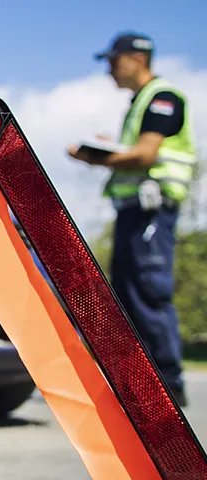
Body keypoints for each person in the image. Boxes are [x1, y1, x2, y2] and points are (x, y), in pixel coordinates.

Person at [69, 32, 197, 408]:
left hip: (151, 212)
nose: (109, 69)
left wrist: (97, 157)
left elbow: (145, 155)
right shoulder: (140, 103)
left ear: (136, 59)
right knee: (127, 294)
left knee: (148, 292)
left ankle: (168, 389)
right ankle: (141, 386)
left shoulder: (162, 98)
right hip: (134, 213)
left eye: (113, 61)